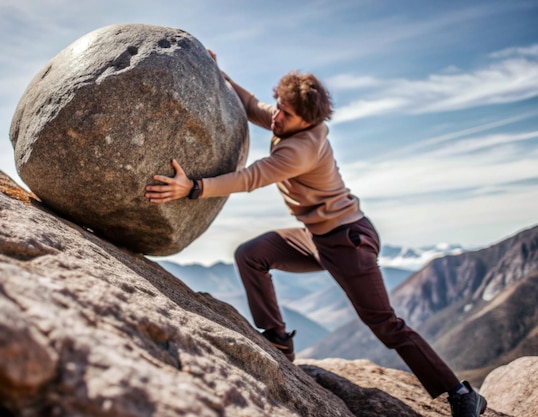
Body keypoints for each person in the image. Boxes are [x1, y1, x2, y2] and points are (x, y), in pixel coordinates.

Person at [144, 50, 487, 417]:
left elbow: (251, 178)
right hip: (318, 237)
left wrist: (193, 187)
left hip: (348, 241)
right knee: (251, 254)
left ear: (305, 122)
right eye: (278, 105)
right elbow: (250, 105)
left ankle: (461, 394)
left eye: (285, 113)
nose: (275, 115)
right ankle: (278, 340)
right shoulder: (289, 122)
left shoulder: (302, 149)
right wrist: (216, 70)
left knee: (386, 324)